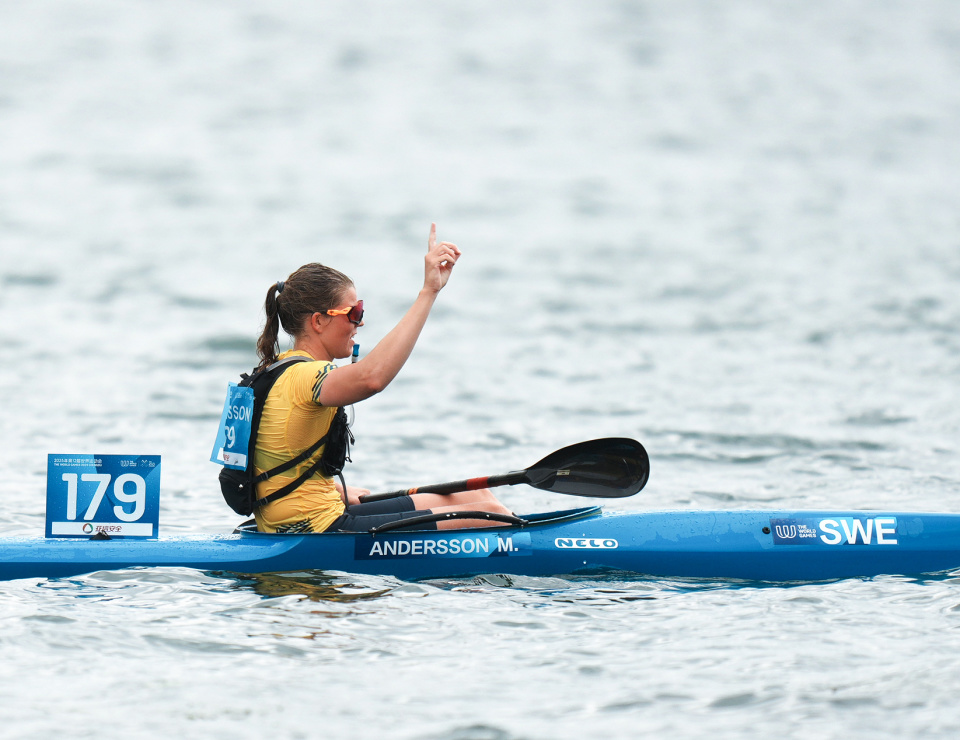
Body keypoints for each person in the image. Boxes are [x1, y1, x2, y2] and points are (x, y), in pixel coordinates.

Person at [250, 223, 513, 533]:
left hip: (305, 513)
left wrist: (337, 491)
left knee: (473, 495)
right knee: (491, 513)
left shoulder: (277, 369)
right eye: (354, 313)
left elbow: (275, 457)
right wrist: (429, 292)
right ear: (319, 321)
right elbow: (372, 378)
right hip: (313, 527)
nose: (358, 323)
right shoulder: (307, 375)